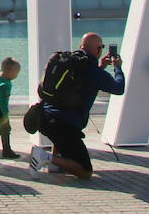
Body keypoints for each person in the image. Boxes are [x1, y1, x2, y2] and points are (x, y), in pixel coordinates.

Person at [29, 33, 125, 179]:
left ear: (81, 47)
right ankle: (44, 157)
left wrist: (102, 66)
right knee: (85, 171)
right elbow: (119, 88)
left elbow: (83, 82)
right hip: (64, 125)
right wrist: (117, 68)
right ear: (98, 50)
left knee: (62, 138)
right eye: (102, 47)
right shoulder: (95, 73)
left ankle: (55, 165)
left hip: (43, 117)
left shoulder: (71, 63)